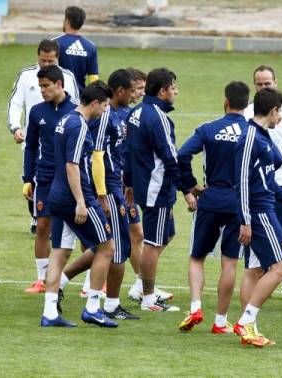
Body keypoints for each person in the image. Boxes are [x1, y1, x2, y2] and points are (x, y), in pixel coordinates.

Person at [41, 81, 117, 328]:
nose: (105, 111)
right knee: (106, 248)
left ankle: (50, 312)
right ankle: (93, 307)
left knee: (60, 252)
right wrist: (82, 203)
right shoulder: (80, 126)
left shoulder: (64, 120)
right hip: (75, 197)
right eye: (104, 106)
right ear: (95, 103)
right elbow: (72, 165)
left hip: (56, 194)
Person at [233, 88, 282, 347]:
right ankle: (245, 321)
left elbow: (267, 178)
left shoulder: (262, 137)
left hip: (269, 207)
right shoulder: (250, 137)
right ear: (273, 110)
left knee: (255, 269)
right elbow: (241, 182)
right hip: (259, 212)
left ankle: (249, 328)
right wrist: (246, 220)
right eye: (280, 112)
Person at [177, 81, 250, 333]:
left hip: (211, 198)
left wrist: (191, 185)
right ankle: (220, 321)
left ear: (225, 102)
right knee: (229, 263)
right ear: (246, 104)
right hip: (238, 202)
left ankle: (196, 306)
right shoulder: (252, 133)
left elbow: (182, 155)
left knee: (197, 257)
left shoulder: (208, 129)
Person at [124, 67, 195, 312]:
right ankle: (148, 298)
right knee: (153, 243)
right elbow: (170, 157)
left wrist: (129, 182)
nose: (176, 91)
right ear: (163, 91)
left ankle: (141, 284)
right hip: (156, 189)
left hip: (145, 187)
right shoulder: (159, 118)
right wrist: (186, 189)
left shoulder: (135, 113)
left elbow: (128, 151)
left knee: (167, 234)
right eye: (173, 87)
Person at [244, 65, 282, 301]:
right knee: (255, 238)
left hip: (281, 183)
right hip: (256, 187)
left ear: (275, 82)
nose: (263, 87)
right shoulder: (249, 113)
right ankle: (259, 284)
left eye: (267, 83)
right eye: (259, 84)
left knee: (281, 233)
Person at [8, 39, 79, 241]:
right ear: (37, 57)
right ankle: (37, 216)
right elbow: (15, 103)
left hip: (61, 140)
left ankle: (57, 216)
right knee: (32, 178)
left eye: (50, 61)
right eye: (43, 61)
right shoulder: (25, 76)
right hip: (34, 135)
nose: (46, 65)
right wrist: (15, 127)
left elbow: (77, 106)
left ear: (57, 59)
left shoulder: (67, 77)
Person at [21, 65, 78, 296]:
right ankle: (42, 279)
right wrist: (28, 178)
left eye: (46, 86)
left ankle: (92, 284)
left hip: (71, 179)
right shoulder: (36, 112)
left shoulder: (76, 110)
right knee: (43, 226)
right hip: (44, 178)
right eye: (40, 86)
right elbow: (31, 147)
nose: (42, 90)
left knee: (79, 226)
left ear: (59, 84)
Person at [53, 6, 98, 89]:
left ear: (67, 21)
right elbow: (93, 79)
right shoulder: (91, 47)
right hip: (80, 97)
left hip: (59, 95)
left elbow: (47, 70)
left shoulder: (54, 43)